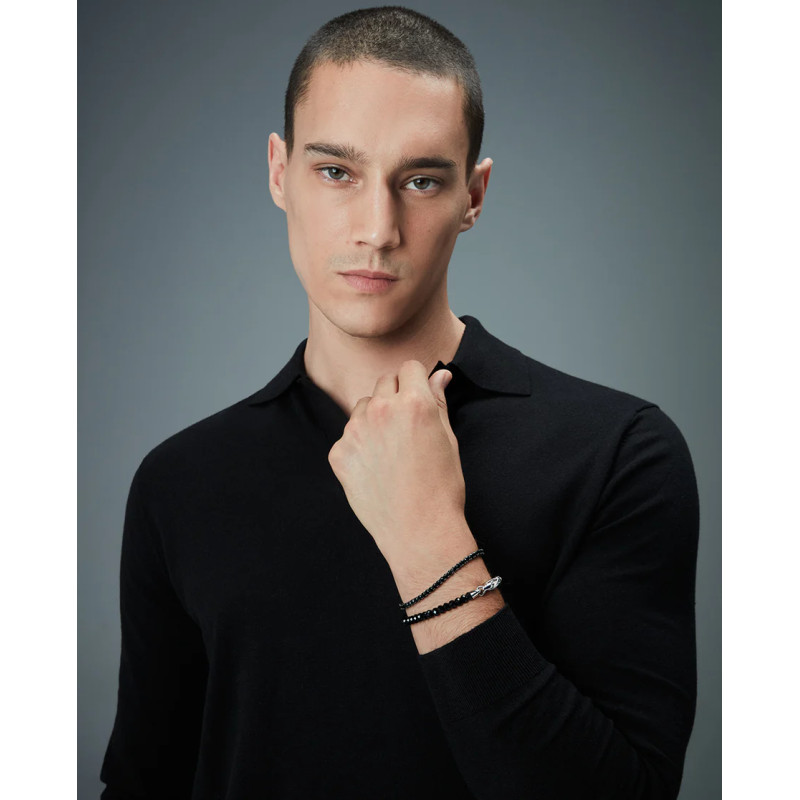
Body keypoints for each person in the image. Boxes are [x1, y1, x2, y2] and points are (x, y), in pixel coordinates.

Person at [100, 7, 699, 799]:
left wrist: (426, 537)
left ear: (473, 196)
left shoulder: (617, 454)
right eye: (336, 172)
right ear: (279, 172)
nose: (377, 229)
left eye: (420, 180)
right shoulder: (181, 481)